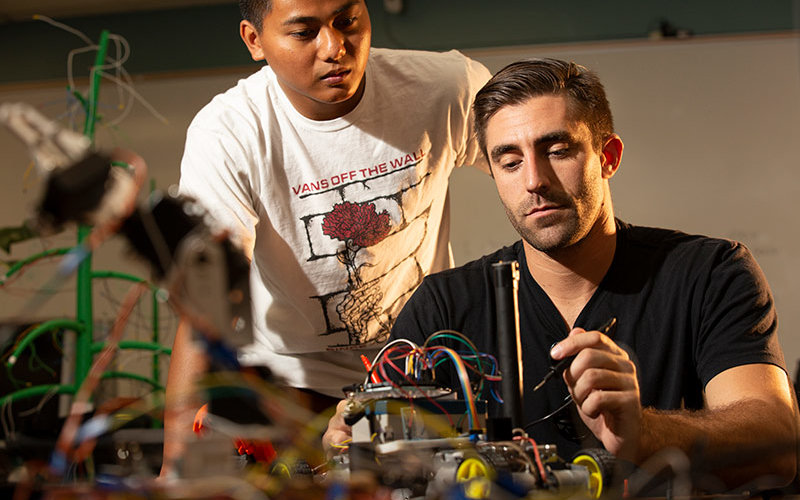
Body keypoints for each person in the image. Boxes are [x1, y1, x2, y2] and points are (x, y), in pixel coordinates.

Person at [323, 57, 797, 490]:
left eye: (557, 150)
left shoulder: (710, 273)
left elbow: (775, 440)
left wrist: (645, 430)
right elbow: (381, 447)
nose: (534, 180)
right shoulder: (444, 306)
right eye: (510, 162)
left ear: (607, 157)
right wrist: (354, 441)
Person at [161, 0, 491, 475]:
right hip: (294, 383)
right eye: (304, 32)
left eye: (347, 22)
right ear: (255, 41)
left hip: (421, 373)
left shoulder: (445, 88)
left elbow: (530, 181)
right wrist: (174, 464)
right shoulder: (228, 134)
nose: (335, 48)